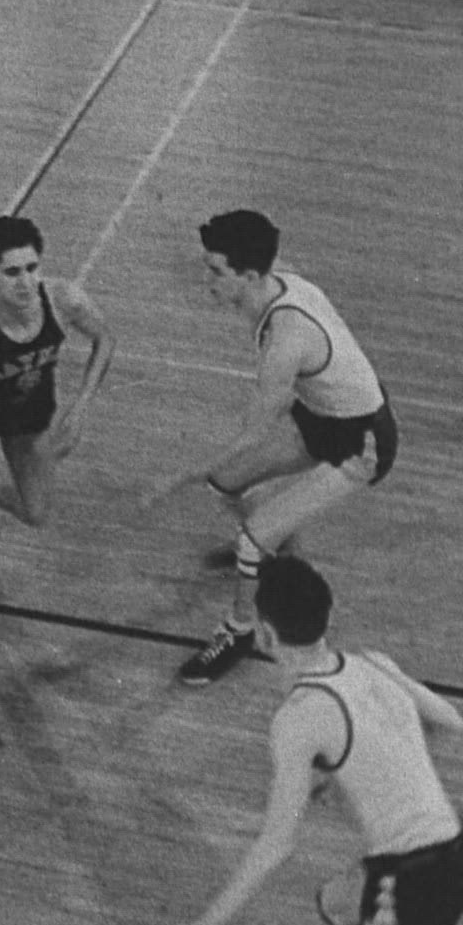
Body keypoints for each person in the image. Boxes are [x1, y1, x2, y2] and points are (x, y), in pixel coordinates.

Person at [151, 555, 463, 925]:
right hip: (450, 852)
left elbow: (277, 844)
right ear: (327, 617)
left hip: (412, 882)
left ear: (265, 634)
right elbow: (451, 722)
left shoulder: (299, 717)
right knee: (337, 904)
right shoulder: (374, 663)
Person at [141, 209, 398, 685]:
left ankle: (239, 630)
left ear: (250, 275)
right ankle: (274, 552)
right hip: (323, 415)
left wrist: (176, 479)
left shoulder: (285, 342)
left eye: (216, 271)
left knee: (252, 536)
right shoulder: (275, 279)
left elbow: (251, 436)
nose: (206, 281)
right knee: (227, 484)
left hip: (359, 444)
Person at [0, 215, 116, 627]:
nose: (25, 282)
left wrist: (81, 405)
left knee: (37, 513)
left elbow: (105, 339)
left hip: (29, 419)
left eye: (32, 268)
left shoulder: (64, 301)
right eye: (12, 272)